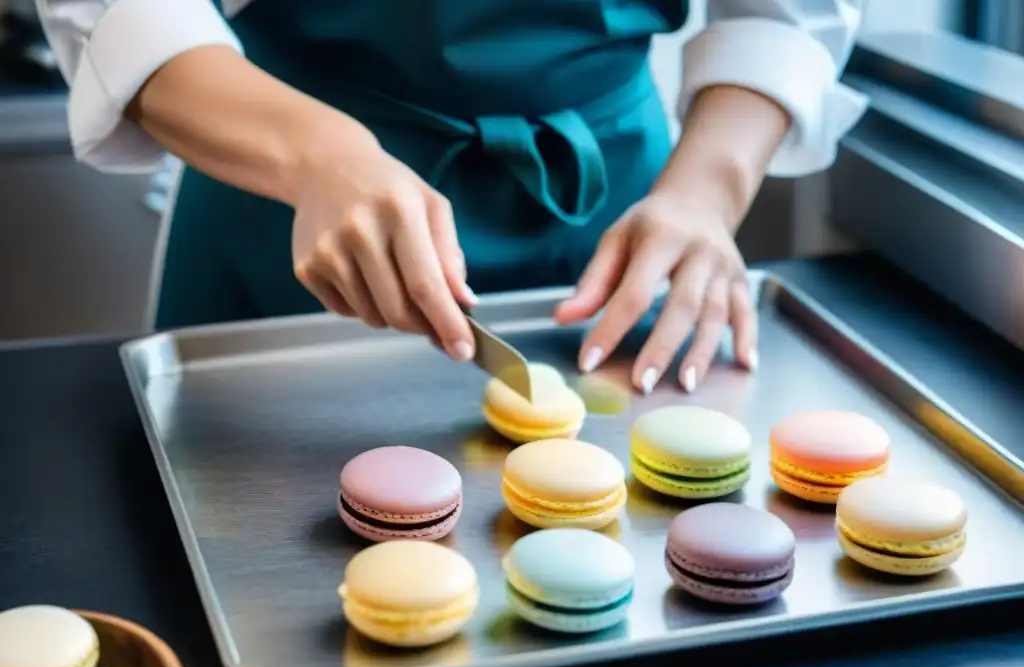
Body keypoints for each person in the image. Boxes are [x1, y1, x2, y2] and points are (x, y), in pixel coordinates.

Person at [38, 0, 867, 394]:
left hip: (620, 228)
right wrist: (316, 155)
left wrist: (706, 194)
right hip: (286, 197)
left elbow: (785, 13)